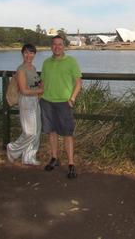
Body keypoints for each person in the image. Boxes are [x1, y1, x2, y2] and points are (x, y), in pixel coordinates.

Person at [40, 35, 82, 178]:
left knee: (67, 134)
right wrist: (39, 96)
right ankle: (54, 158)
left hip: (64, 102)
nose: (57, 47)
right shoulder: (46, 63)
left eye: (60, 44)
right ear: (51, 46)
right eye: (54, 44)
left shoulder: (71, 62)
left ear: (64, 46)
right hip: (47, 101)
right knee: (51, 132)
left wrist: (72, 99)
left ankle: (71, 164)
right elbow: (43, 82)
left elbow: (78, 83)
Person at [6, 43, 44, 165]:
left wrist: (42, 85)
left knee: (37, 130)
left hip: (34, 100)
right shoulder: (21, 69)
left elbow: (37, 83)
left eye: (31, 53)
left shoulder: (32, 68)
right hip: (26, 100)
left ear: (34, 54)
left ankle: (29, 157)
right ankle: (12, 149)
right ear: (22, 54)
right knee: (30, 132)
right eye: (26, 52)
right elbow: (24, 90)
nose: (29, 55)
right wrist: (41, 91)